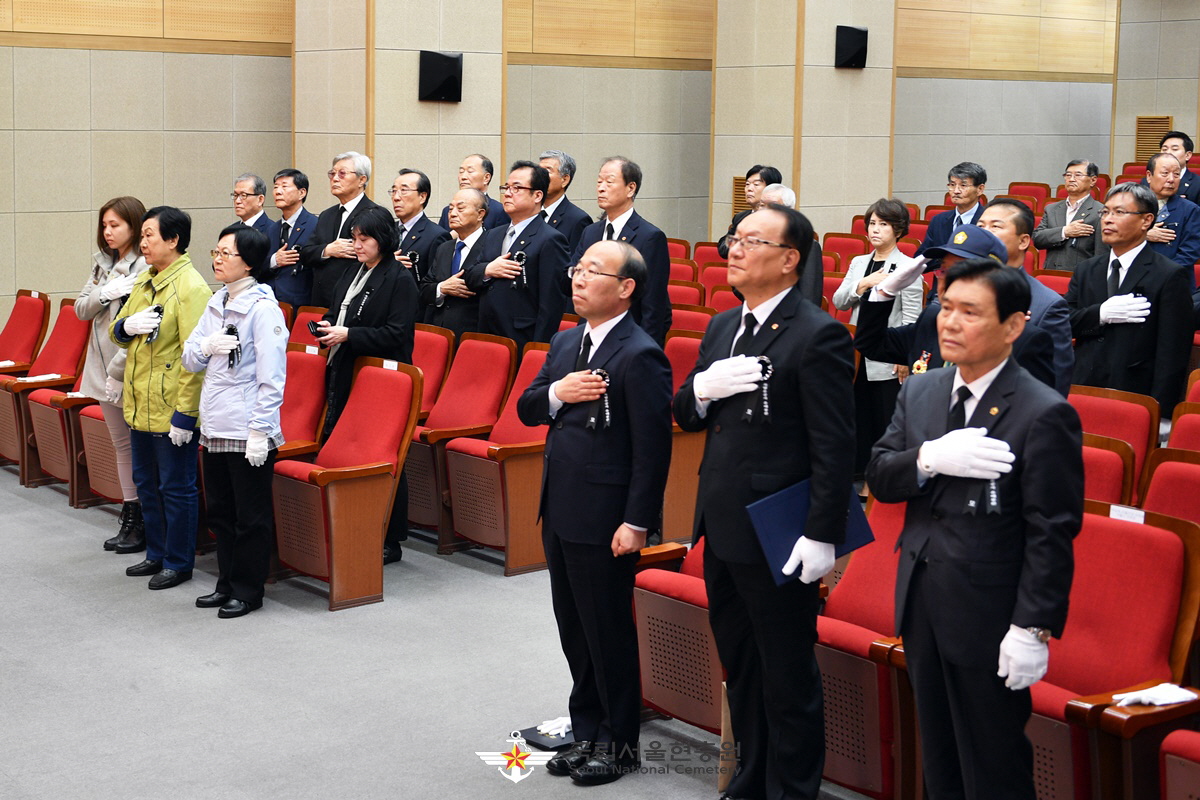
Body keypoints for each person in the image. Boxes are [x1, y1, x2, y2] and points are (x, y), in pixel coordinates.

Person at [867, 257, 1083, 800]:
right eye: (946, 308)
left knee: (993, 765)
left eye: (971, 312)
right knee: (939, 759)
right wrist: (929, 458)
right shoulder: (922, 390)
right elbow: (881, 476)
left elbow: (1051, 530)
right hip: (922, 600)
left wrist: (1032, 627)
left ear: (1013, 326)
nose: (950, 322)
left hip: (990, 614)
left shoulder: (1043, 411)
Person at [673, 204, 856, 800]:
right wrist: (699, 390)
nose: (735, 248)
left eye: (753, 240)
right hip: (723, 524)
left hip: (781, 531)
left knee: (787, 674)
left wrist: (823, 532)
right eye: (735, 237)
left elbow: (834, 446)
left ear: (788, 260)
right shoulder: (725, 326)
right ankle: (752, 780)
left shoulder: (817, 332)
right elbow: (686, 415)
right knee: (743, 667)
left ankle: (793, 790)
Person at [517, 241, 673, 786]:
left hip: (606, 518)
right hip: (559, 508)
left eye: (592, 272)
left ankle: (619, 743)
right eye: (577, 270)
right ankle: (586, 730)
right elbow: (528, 406)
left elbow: (653, 451)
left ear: (626, 287)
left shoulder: (641, 353)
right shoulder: (564, 342)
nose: (579, 280)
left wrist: (637, 521)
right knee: (574, 629)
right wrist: (558, 392)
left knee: (607, 632)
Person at [182, 224, 287, 619]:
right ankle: (225, 582)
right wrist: (207, 346)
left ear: (249, 263)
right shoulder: (217, 301)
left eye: (227, 253)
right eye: (217, 251)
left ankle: (248, 589)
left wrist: (261, 429)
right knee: (222, 512)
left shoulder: (263, 309)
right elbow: (191, 356)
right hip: (215, 424)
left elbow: (272, 376)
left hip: (247, 429)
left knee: (250, 516)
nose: (218, 259)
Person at [111, 207, 212, 590]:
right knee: (146, 483)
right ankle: (155, 553)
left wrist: (186, 414)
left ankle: (178, 561)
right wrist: (125, 325)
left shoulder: (191, 287)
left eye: (151, 235)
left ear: (173, 240)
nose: (144, 242)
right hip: (139, 404)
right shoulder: (145, 280)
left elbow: (195, 360)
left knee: (176, 487)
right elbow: (118, 335)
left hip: (171, 408)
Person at [313, 205, 419, 564]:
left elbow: (397, 334)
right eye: (355, 238)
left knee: (382, 453)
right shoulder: (353, 271)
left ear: (383, 240)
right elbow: (336, 311)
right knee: (345, 445)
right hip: (345, 366)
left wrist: (349, 334)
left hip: (382, 377)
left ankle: (391, 535)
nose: (357, 245)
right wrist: (328, 328)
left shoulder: (399, 278)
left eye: (365, 239)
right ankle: (353, 522)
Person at [854, 225, 1057, 392]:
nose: (947, 280)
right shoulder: (934, 319)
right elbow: (871, 344)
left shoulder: (1023, 340)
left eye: (959, 270)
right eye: (943, 270)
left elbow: (1035, 417)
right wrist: (884, 292)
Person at [1064, 182, 1192, 420]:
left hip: (1135, 393)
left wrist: (1161, 412)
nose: (1107, 220)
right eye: (1106, 212)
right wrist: (1100, 314)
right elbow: (1065, 320)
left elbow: (1172, 352)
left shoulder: (1169, 274)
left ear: (1146, 220)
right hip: (1084, 386)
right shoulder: (1087, 269)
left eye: (1119, 212)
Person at [832, 198, 923, 486]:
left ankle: (880, 483)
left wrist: (903, 359)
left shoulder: (908, 267)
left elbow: (911, 319)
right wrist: (864, 283)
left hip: (888, 357)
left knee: (883, 420)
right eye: (872, 223)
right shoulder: (859, 263)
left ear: (898, 230)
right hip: (856, 356)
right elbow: (838, 300)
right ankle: (860, 480)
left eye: (883, 224)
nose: (875, 230)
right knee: (857, 418)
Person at [77, 196, 149, 554]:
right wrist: (105, 293)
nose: (107, 232)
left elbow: (137, 326)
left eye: (115, 225)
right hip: (99, 365)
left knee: (137, 446)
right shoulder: (102, 264)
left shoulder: (143, 266)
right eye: (104, 225)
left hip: (127, 367)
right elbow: (81, 308)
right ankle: (130, 514)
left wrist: (120, 371)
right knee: (121, 445)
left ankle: (143, 519)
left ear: (134, 227)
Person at [464, 160, 570, 352]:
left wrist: (538, 350)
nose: (508, 193)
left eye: (517, 187)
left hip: (522, 338)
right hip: (487, 334)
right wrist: (488, 270)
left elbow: (551, 304)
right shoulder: (494, 233)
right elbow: (470, 275)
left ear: (537, 195)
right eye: (506, 187)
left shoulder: (550, 239)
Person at [977, 199, 1074, 396]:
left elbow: (1055, 386)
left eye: (995, 226)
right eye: (980, 226)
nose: (984, 233)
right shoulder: (957, 291)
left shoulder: (1047, 305)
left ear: (1023, 241)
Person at [570, 157, 671, 344]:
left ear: (630, 188)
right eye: (599, 181)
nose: (600, 188)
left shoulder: (649, 237)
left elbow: (653, 307)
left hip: (627, 339)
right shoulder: (591, 232)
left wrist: (645, 351)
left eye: (609, 182)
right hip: (589, 333)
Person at [298, 151, 384, 308]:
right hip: (320, 301)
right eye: (332, 173)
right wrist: (327, 250)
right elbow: (306, 253)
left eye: (342, 173)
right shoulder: (326, 215)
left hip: (353, 302)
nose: (335, 178)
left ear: (361, 180)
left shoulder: (374, 214)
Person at [420, 188, 486, 339]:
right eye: (450, 209)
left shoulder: (491, 244)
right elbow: (424, 288)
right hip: (439, 334)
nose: (453, 213)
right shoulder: (444, 247)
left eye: (460, 208)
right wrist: (442, 288)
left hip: (474, 335)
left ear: (480, 214)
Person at [1032, 159, 1104, 272]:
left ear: (1093, 180)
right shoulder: (1052, 209)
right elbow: (1037, 239)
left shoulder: (1100, 212)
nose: (1071, 179)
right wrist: (1064, 232)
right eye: (1068, 175)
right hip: (1051, 275)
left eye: (1078, 175)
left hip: (1080, 278)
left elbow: (1101, 255)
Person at [265, 168, 318, 308]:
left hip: (301, 304)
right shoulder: (272, 229)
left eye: (284, 186)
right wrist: (274, 260)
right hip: (272, 303)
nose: (277, 191)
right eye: (275, 187)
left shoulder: (315, 225)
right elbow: (259, 266)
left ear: (302, 192)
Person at [916, 162, 988, 261]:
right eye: (952, 185)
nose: (956, 191)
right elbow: (922, 257)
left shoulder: (989, 222)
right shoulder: (938, 221)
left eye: (963, 185)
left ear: (980, 189)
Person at [390, 168, 450, 285]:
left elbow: (435, 283)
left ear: (422, 197)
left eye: (404, 190)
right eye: (393, 191)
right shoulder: (387, 230)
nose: (396, 197)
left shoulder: (436, 235)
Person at [437, 154, 509, 231]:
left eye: (470, 171)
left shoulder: (499, 211)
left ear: (486, 178)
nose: (463, 177)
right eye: (461, 171)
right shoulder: (447, 211)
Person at [539, 149, 592, 253]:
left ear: (564, 180)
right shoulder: (530, 212)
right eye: (538, 171)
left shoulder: (578, 219)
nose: (539, 176)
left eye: (547, 171)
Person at [1160, 130, 1200, 205]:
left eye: (1175, 149)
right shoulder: (1148, 181)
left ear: (1187, 155)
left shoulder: (1198, 184)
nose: (1168, 153)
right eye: (1164, 149)